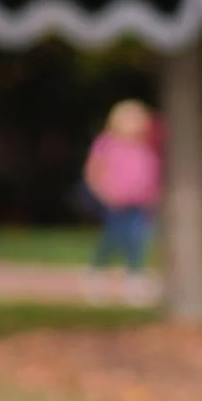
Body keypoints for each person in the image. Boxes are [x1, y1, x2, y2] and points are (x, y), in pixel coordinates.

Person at [81, 97, 162, 278]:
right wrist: (102, 192)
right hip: (116, 200)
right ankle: (98, 267)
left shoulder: (145, 146)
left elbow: (151, 172)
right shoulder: (107, 143)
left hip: (141, 201)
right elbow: (94, 170)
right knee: (115, 236)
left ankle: (135, 270)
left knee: (138, 237)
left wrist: (154, 194)